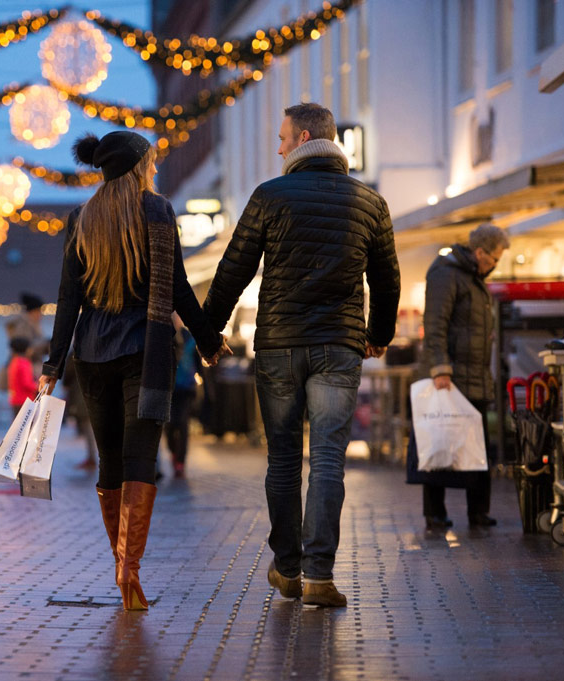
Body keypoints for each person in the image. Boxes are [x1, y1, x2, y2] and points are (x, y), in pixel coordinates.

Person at [202, 103, 401, 607]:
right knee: (329, 460)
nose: (278, 147)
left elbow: (234, 269)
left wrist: (208, 334)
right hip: (338, 346)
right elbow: (386, 278)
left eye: (282, 138)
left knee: (284, 460)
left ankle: (287, 569)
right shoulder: (369, 202)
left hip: (279, 348)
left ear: (304, 137)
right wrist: (378, 333)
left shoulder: (270, 196)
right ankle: (319, 575)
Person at [39, 130, 229, 611]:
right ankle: (130, 570)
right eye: (152, 161)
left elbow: (68, 300)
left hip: (92, 356)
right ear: (137, 166)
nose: (157, 169)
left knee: (112, 462)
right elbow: (178, 288)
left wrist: (52, 365)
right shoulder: (157, 211)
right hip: (147, 352)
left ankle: (121, 565)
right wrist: (209, 342)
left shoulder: (80, 219)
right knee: (141, 458)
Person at [408, 224, 509, 531]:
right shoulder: (446, 273)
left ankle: (478, 512)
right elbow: (435, 324)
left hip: (475, 374)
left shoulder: (473, 278)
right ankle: (434, 513)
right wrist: (440, 368)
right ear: (480, 253)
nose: (495, 266)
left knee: (476, 447)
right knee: (439, 440)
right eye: (495, 259)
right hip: (451, 376)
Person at [165, 313, 201, 479]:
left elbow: (198, 364)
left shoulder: (189, 338)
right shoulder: (165, 336)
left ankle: (180, 461)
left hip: (186, 388)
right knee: (170, 425)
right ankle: (174, 452)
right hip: (168, 388)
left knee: (183, 424)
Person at [7, 336, 35, 418]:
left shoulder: (14, 361)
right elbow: (27, 384)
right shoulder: (24, 363)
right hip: (25, 400)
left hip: (15, 399)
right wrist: (38, 386)